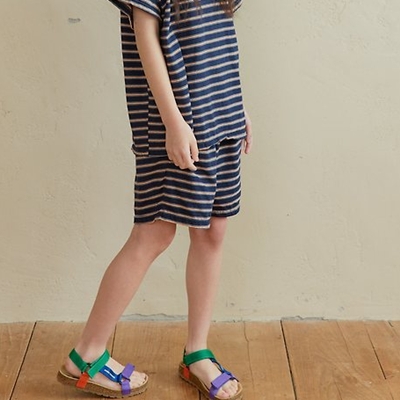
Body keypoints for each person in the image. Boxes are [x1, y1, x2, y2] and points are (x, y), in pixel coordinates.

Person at [57, 0, 252, 399]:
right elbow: (146, 36)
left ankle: (197, 352)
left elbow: (216, 32)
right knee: (154, 233)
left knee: (213, 230)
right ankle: (86, 354)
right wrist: (173, 123)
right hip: (176, 123)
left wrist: (238, 106)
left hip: (221, 113)